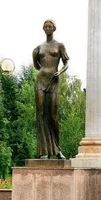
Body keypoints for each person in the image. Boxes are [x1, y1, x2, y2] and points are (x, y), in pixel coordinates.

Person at [32, 20, 69, 159]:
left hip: (54, 81)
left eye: (50, 26)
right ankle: (43, 151)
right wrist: (44, 72)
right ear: (43, 29)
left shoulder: (60, 46)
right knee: (41, 113)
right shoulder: (38, 48)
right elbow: (36, 65)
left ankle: (58, 149)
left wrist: (59, 72)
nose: (48, 28)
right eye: (46, 27)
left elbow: (66, 63)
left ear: (54, 28)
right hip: (41, 81)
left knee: (53, 115)